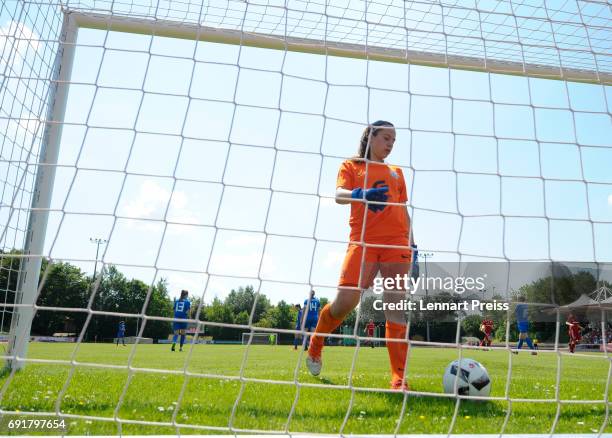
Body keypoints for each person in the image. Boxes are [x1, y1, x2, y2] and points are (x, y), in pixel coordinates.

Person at [305, 120, 416, 390]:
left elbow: (404, 210)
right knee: (345, 303)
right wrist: (363, 194)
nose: (390, 144)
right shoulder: (352, 166)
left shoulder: (397, 173)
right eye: (386, 138)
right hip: (363, 243)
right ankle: (316, 343)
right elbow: (339, 195)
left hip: (396, 245)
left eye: (394, 140)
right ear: (370, 137)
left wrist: (413, 246)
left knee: (395, 309)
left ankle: (398, 379)